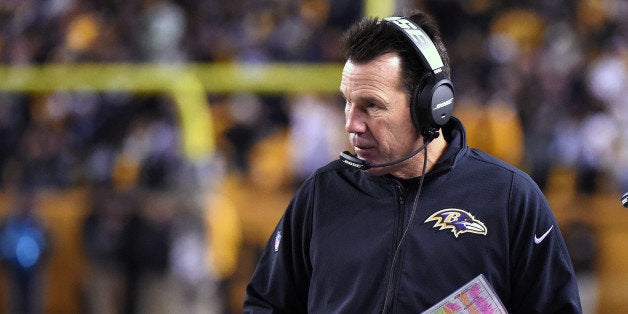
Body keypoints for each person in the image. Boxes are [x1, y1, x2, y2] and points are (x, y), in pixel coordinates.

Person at [243, 10, 582, 313]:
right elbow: (266, 304)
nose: (351, 124)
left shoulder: (509, 197)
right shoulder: (321, 194)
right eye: (347, 102)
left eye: (371, 106)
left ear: (432, 107)